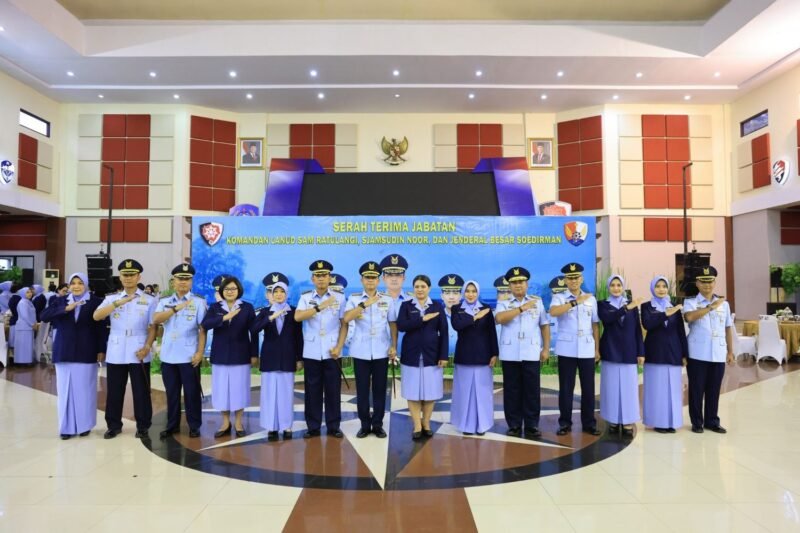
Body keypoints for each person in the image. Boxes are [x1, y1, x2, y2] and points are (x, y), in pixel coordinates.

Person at [92, 259, 157, 440]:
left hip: (139, 348)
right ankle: (113, 425)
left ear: (138, 277)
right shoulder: (111, 298)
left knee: (141, 391)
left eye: (132, 275)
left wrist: (147, 347)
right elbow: (96, 316)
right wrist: (118, 304)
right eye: (125, 275)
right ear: (120, 277)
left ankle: (143, 426)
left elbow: (153, 327)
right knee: (114, 390)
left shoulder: (149, 299)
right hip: (117, 349)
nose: (128, 278)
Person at [40, 273, 108, 439]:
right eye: (73, 283)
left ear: (86, 285)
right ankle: (66, 428)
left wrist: (101, 349)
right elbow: (43, 316)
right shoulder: (60, 301)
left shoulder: (96, 302)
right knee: (65, 391)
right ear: (69, 286)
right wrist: (65, 309)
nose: (76, 286)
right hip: (64, 351)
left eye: (80, 283)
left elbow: (100, 328)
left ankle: (84, 425)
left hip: (87, 351)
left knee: (85, 390)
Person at [152, 263, 207, 439]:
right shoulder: (164, 301)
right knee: (172, 393)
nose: (183, 282)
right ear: (173, 281)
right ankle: (172, 425)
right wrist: (175, 309)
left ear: (191, 282)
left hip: (189, 356)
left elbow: (202, 329)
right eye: (179, 279)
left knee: (192, 393)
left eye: (187, 279)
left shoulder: (198, 302)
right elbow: (156, 319)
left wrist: (200, 352)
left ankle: (194, 425)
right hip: (169, 355)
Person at [343, 261, 398, 438]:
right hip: (361, 351)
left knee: (380, 389)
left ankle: (378, 424)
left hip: (382, 350)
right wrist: (364, 304)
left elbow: (392, 324)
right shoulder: (354, 298)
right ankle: (365, 424)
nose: (371, 281)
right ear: (362, 280)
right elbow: (346, 318)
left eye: (374, 278)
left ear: (379, 280)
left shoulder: (387, 299)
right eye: (367, 278)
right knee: (362, 390)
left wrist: (394, 346)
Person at [494, 267, 550, 438]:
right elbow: (499, 319)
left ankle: (532, 425)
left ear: (527, 284)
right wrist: (520, 309)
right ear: (509, 285)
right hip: (510, 353)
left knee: (532, 391)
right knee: (512, 391)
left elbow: (544, 325)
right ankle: (514, 425)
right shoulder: (504, 303)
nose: (518, 285)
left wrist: (546, 348)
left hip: (531, 352)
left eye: (521, 282)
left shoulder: (537, 302)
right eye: (514, 282)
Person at [295, 260, 347, 439]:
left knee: (333, 390)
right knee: (312, 390)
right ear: (312, 278)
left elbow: (344, 324)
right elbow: (298, 317)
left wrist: (340, 346)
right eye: (317, 276)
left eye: (324, 275)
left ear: (330, 277)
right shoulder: (305, 297)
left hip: (332, 350)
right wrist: (319, 307)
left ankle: (334, 426)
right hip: (311, 350)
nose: (321, 278)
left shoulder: (339, 297)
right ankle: (313, 426)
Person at [201, 276, 259, 438]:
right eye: (227, 289)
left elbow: (253, 332)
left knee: (239, 390)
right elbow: (205, 325)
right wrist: (223, 318)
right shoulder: (215, 307)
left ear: (238, 290)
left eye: (233, 289)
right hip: (220, 356)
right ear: (221, 291)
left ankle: (239, 422)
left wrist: (254, 354)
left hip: (241, 355)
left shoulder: (247, 307)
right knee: (222, 390)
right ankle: (225, 422)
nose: (230, 292)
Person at [549, 263, 601, 436]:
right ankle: (565, 423)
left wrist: (596, 348)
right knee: (566, 388)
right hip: (567, 349)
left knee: (588, 388)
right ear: (565, 280)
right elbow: (554, 312)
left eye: (576, 277)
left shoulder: (591, 299)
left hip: (586, 347)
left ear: (582, 279)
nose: (573, 281)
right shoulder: (559, 297)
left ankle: (589, 423)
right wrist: (574, 303)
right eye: (570, 278)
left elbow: (595, 324)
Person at [396, 274, 448, 440]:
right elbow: (402, 326)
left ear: (429, 289)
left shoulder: (437, 306)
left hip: (431, 355)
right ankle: (417, 425)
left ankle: (426, 423)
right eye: (417, 286)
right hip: (411, 355)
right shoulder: (406, 305)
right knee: (412, 392)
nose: (419, 289)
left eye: (423, 286)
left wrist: (443, 355)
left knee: (430, 393)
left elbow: (444, 333)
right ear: (413, 288)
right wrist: (421, 319)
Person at [683, 266, 734, 434]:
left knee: (714, 389)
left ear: (715, 282)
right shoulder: (691, 302)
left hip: (718, 353)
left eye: (710, 281)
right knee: (696, 390)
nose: (707, 285)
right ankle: (697, 422)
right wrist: (710, 307)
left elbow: (728, 327)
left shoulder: (724, 304)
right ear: (697, 283)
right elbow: (689, 317)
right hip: (698, 353)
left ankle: (712, 421)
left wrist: (730, 351)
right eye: (703, 282)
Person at [252, 281, 303, 441]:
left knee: (286, 394)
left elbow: (298, 337)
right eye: (276, 292)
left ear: (287, 294)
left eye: (282, 292)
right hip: (269, 358)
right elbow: (254, 329)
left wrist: (300, 358)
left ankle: (286, 426)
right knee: (269, 394)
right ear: (271, 295)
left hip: (288, 358)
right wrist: (270, 318)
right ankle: (271, 427)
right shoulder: (265, 312)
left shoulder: (294, 312)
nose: (279, 294)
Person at [450, 280, 498, 436]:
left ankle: (481, 426)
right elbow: (457, 325)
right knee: (464, 393)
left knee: (482, 393)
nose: (471, 294)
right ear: (463, 292)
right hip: (464, 355)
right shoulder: (457, 308)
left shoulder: (486, 309)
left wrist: (494, 353)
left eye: (474, 291)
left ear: (478, 293)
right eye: (468, 291)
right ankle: (466, 426)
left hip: (483, 356)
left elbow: (492, 332)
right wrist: (476, 317)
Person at [598, 275, 644, 437]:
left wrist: (641, 352)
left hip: (629, 351)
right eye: (613, 285)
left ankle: (627, 421)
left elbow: (637, 330)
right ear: (608, 287)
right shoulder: (603, 304)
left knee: (629, 388)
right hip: (610, 350)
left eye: (619, 285)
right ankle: (613, 420)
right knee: (611, 388)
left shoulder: (631, 306)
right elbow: (608, 319)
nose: (616, 288)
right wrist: (627, 308)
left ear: (623, 287)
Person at [641, 276, 687, 433]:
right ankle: (658, 422)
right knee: (657, 390)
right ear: (652, 288)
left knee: (673, 390)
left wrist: (684, 353)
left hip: (673, 353)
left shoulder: (674, 306)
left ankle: (671, 422)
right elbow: (648, 324)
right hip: (655, 353)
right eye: (658, 286)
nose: (661, 289)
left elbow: (681, 331)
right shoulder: (647, 306)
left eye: (664, 286)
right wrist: (665, 314)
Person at [438, 274, 463, 356]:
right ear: (442, 296)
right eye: (447, 293)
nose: (451, 297)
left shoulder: (469, 316)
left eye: (455, 293)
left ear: (461, 296)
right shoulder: (436, 317)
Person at [12, 287, 36, 365]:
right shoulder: (22, 303)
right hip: (24, 327)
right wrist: (32, 324)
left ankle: (27, 361)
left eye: (30, 292)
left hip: (28, 327)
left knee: (27, 345)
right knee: (23, 345)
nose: (30, 294)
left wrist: (34, 323)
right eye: (27, 292)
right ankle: (21, 362)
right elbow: (25, 316)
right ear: (23, 293)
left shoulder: (28, 302)